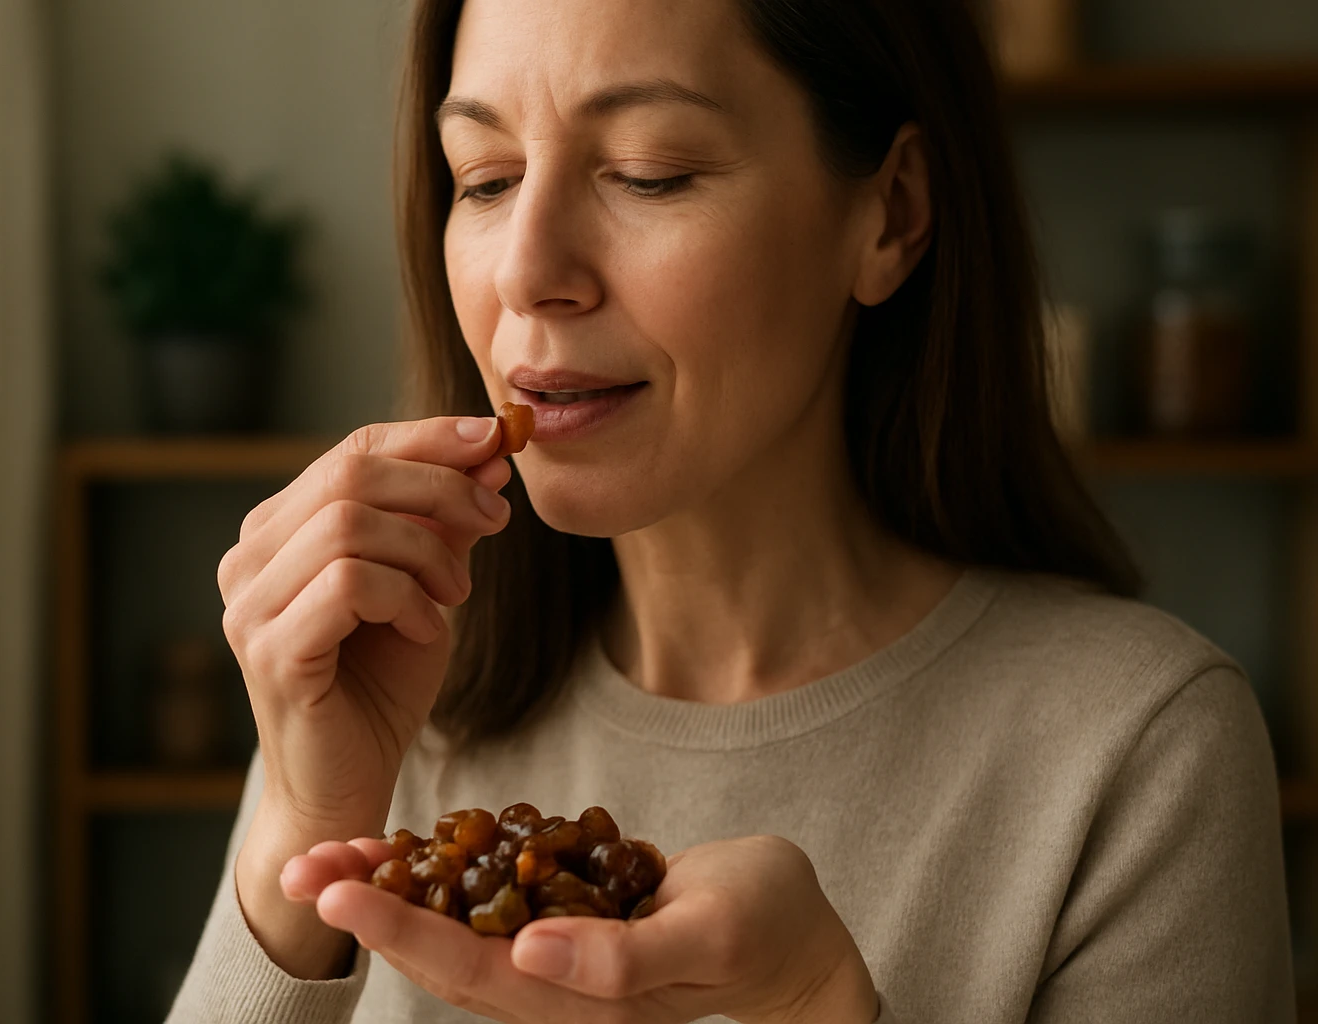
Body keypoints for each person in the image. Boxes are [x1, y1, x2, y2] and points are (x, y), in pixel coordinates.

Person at [169, 0, 1295, 1020]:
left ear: (891, 215)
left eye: (649, 172)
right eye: (485, 176)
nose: (527, 270)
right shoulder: (386, 689)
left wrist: (819, 1007)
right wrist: (305, 834)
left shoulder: (1137, 752)